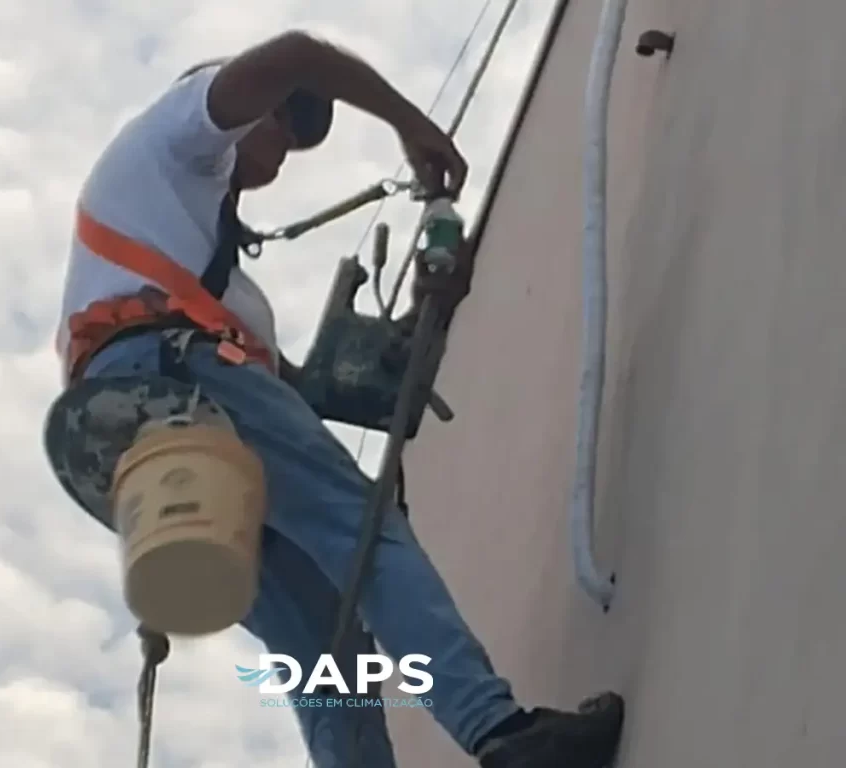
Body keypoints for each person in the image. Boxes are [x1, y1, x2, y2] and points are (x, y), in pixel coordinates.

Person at [55, 30, 625, 768]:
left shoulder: (209, 279)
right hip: (170, 385)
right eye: (282, 127)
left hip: (144, 442)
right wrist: (410, 124)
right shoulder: (181, 136)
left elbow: (304, 402)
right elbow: (293, 53)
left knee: (327, 649)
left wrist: (431, 308)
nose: (283, 152)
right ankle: (499, 731)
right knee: (359, 528)